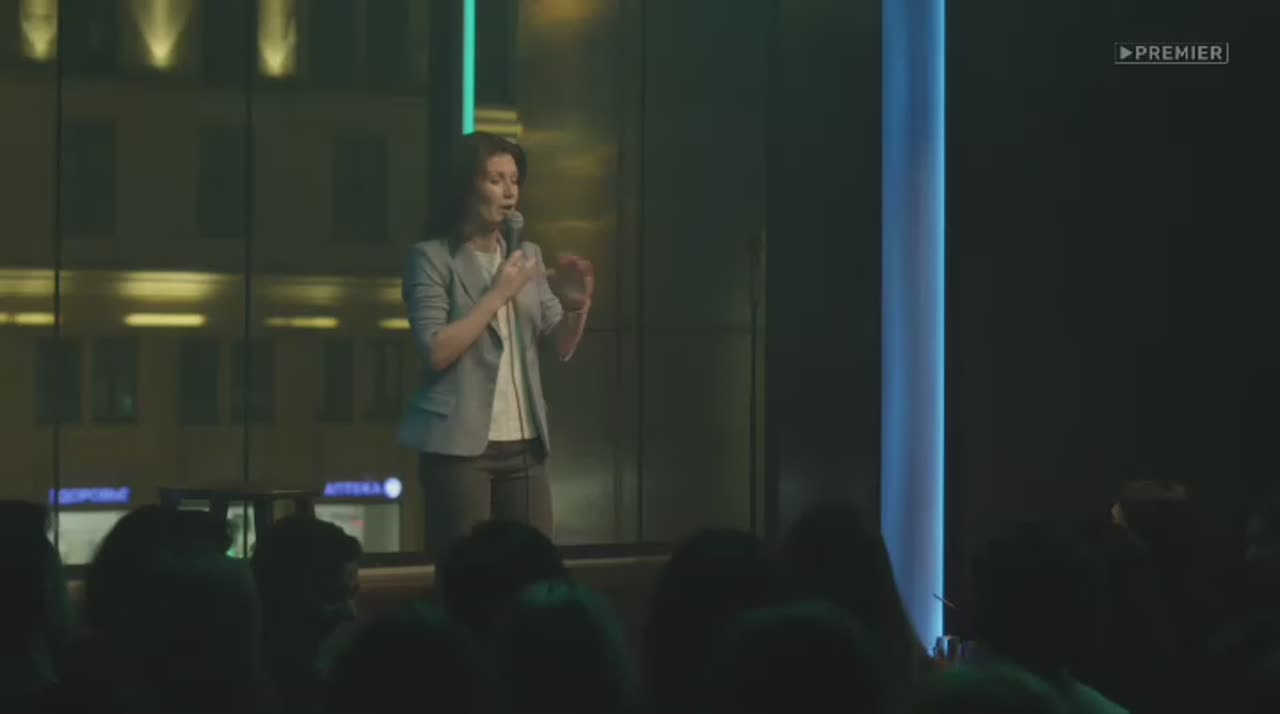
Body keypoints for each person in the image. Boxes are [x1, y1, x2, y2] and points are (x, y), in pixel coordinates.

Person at [399, 131, 595, 558]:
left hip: (526, 445)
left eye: (514, 180)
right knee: (467, 568)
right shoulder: (431, 258)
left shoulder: (528, 256)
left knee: (534, 564)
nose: (509, 192)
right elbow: (436, 350)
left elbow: (560, 344)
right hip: (460, 447)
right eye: (495, 180)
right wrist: (498, 293)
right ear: (465, 187)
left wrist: (577, 307)